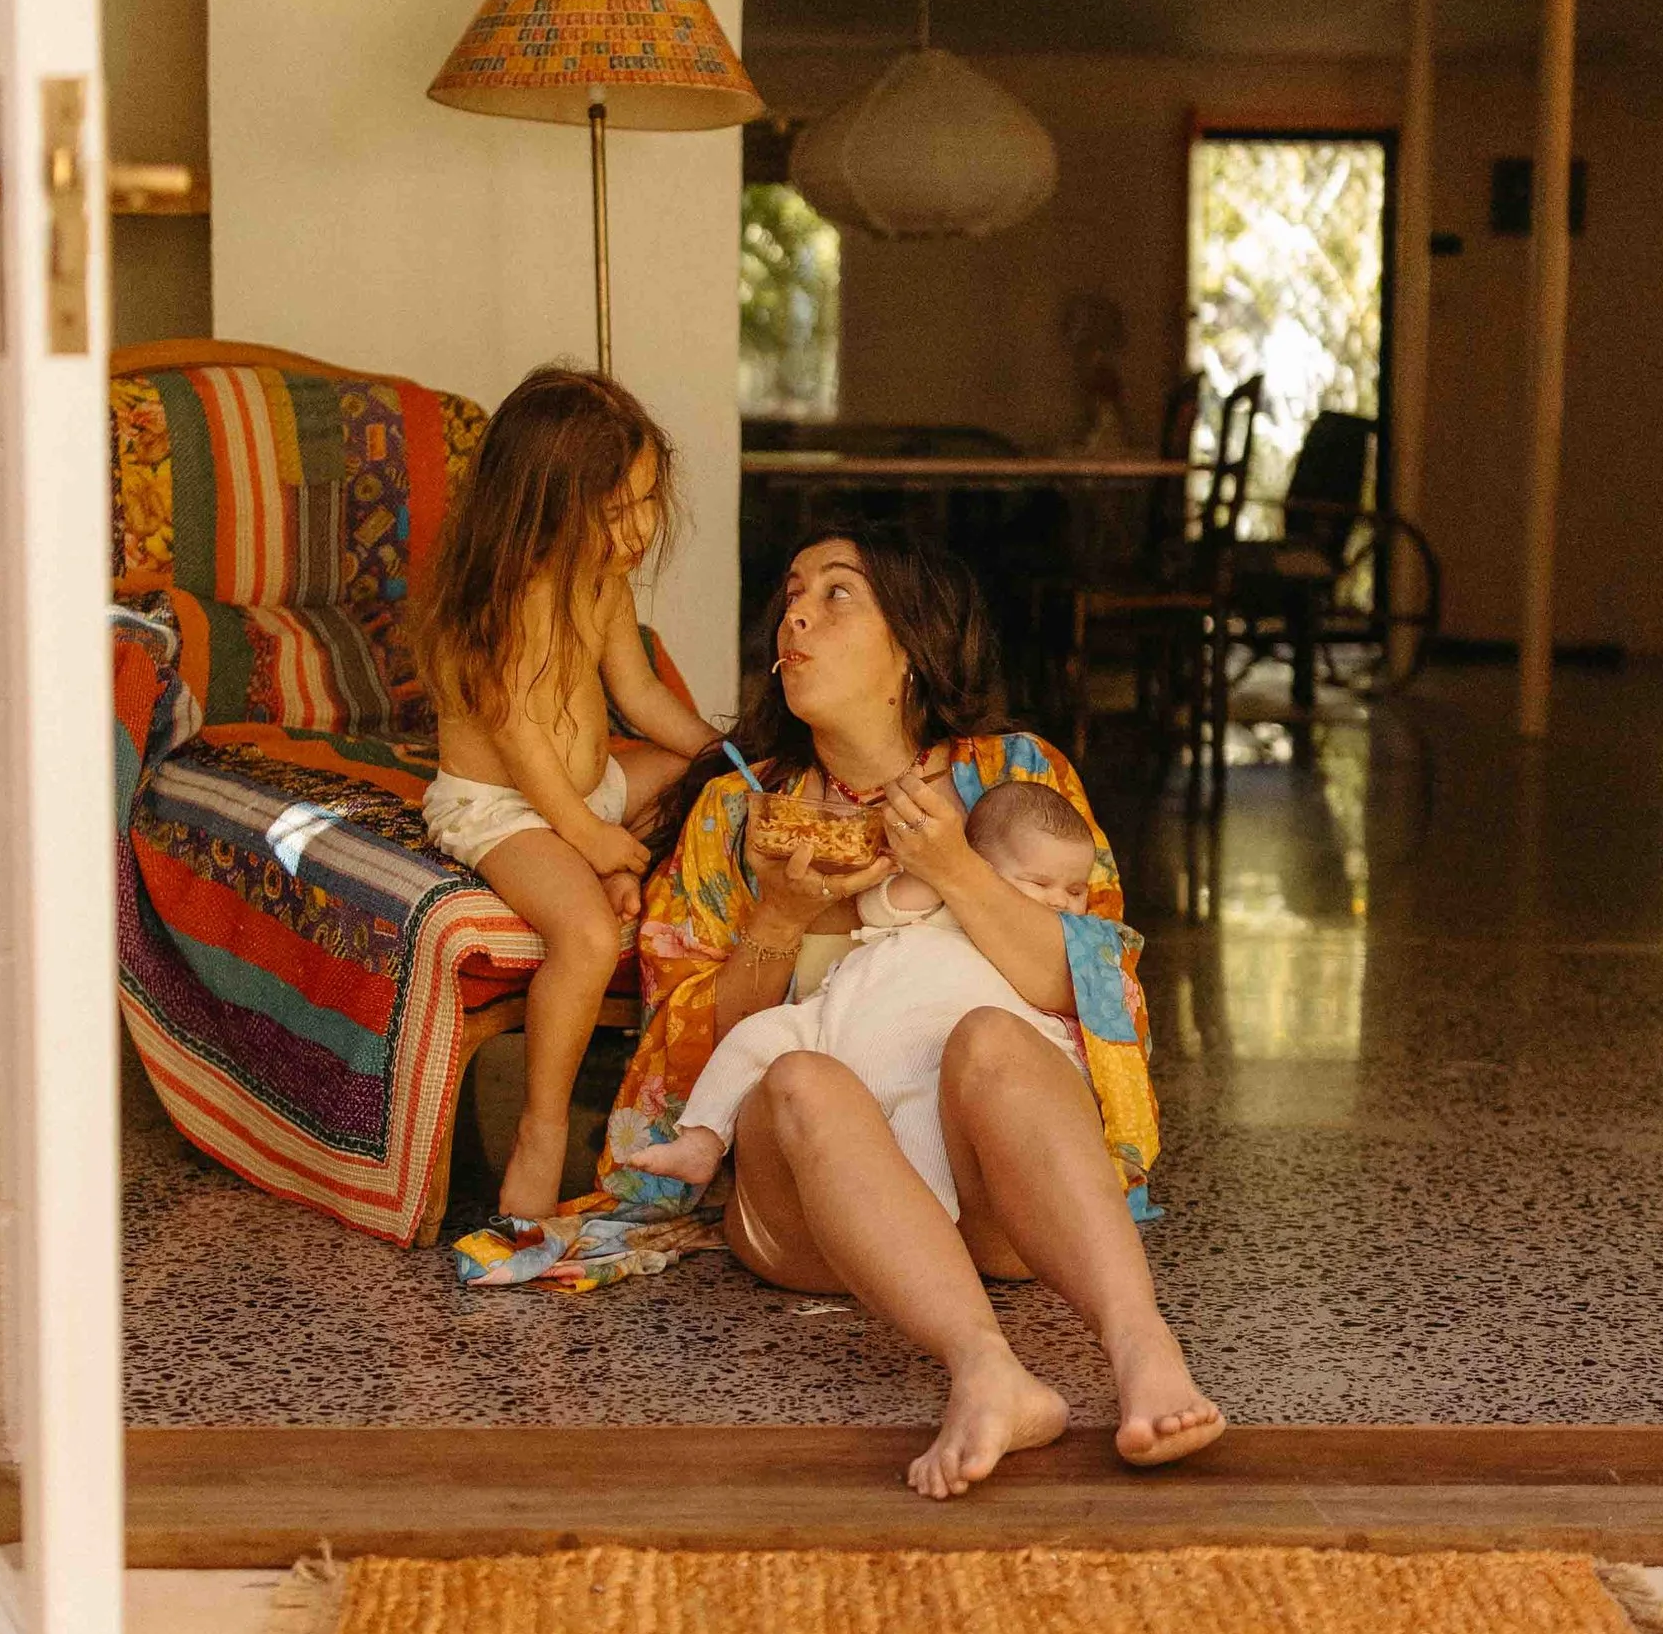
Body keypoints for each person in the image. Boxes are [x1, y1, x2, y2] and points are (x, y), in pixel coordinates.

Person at [603, 527, 1225, 1500]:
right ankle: (983, 1367)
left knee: (989, 1037)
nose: (796, 614)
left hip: (999, 1204)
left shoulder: (1014, 778)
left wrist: (952, 870)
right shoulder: (735, 810)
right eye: (792, 592)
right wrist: (781, 914)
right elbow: (696, 1049)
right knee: (803, 1075)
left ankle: (1144, 1351)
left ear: (910, 648)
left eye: (838, 595)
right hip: (815, 1216)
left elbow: (1092, 990)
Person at [416, 367, 723, 1223]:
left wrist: (729, 754)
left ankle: (626, 869)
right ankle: (542, 1130)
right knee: (587, 936)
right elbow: (519, 746)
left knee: (697, 786)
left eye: (648, 501)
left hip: (590, 791)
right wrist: (587, 839)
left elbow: (642, 697)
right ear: (543, 501)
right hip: (505, 808)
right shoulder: (506, 602)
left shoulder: (604, 581)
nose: (640, 527)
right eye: (616, 509)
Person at [625, 777, 1092, 1206]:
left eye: (1077, 890)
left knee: (921, 1151)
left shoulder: (1038, 938)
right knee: (755, 1037)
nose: (1061, 901)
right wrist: (931, 871)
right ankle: (702, 1139)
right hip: (840, 1017)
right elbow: (878, 907)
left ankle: (921, 1233)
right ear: (979, 863)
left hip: (927, 1061)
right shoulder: (944, 896)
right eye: (1040, 883)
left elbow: (1071, 999)